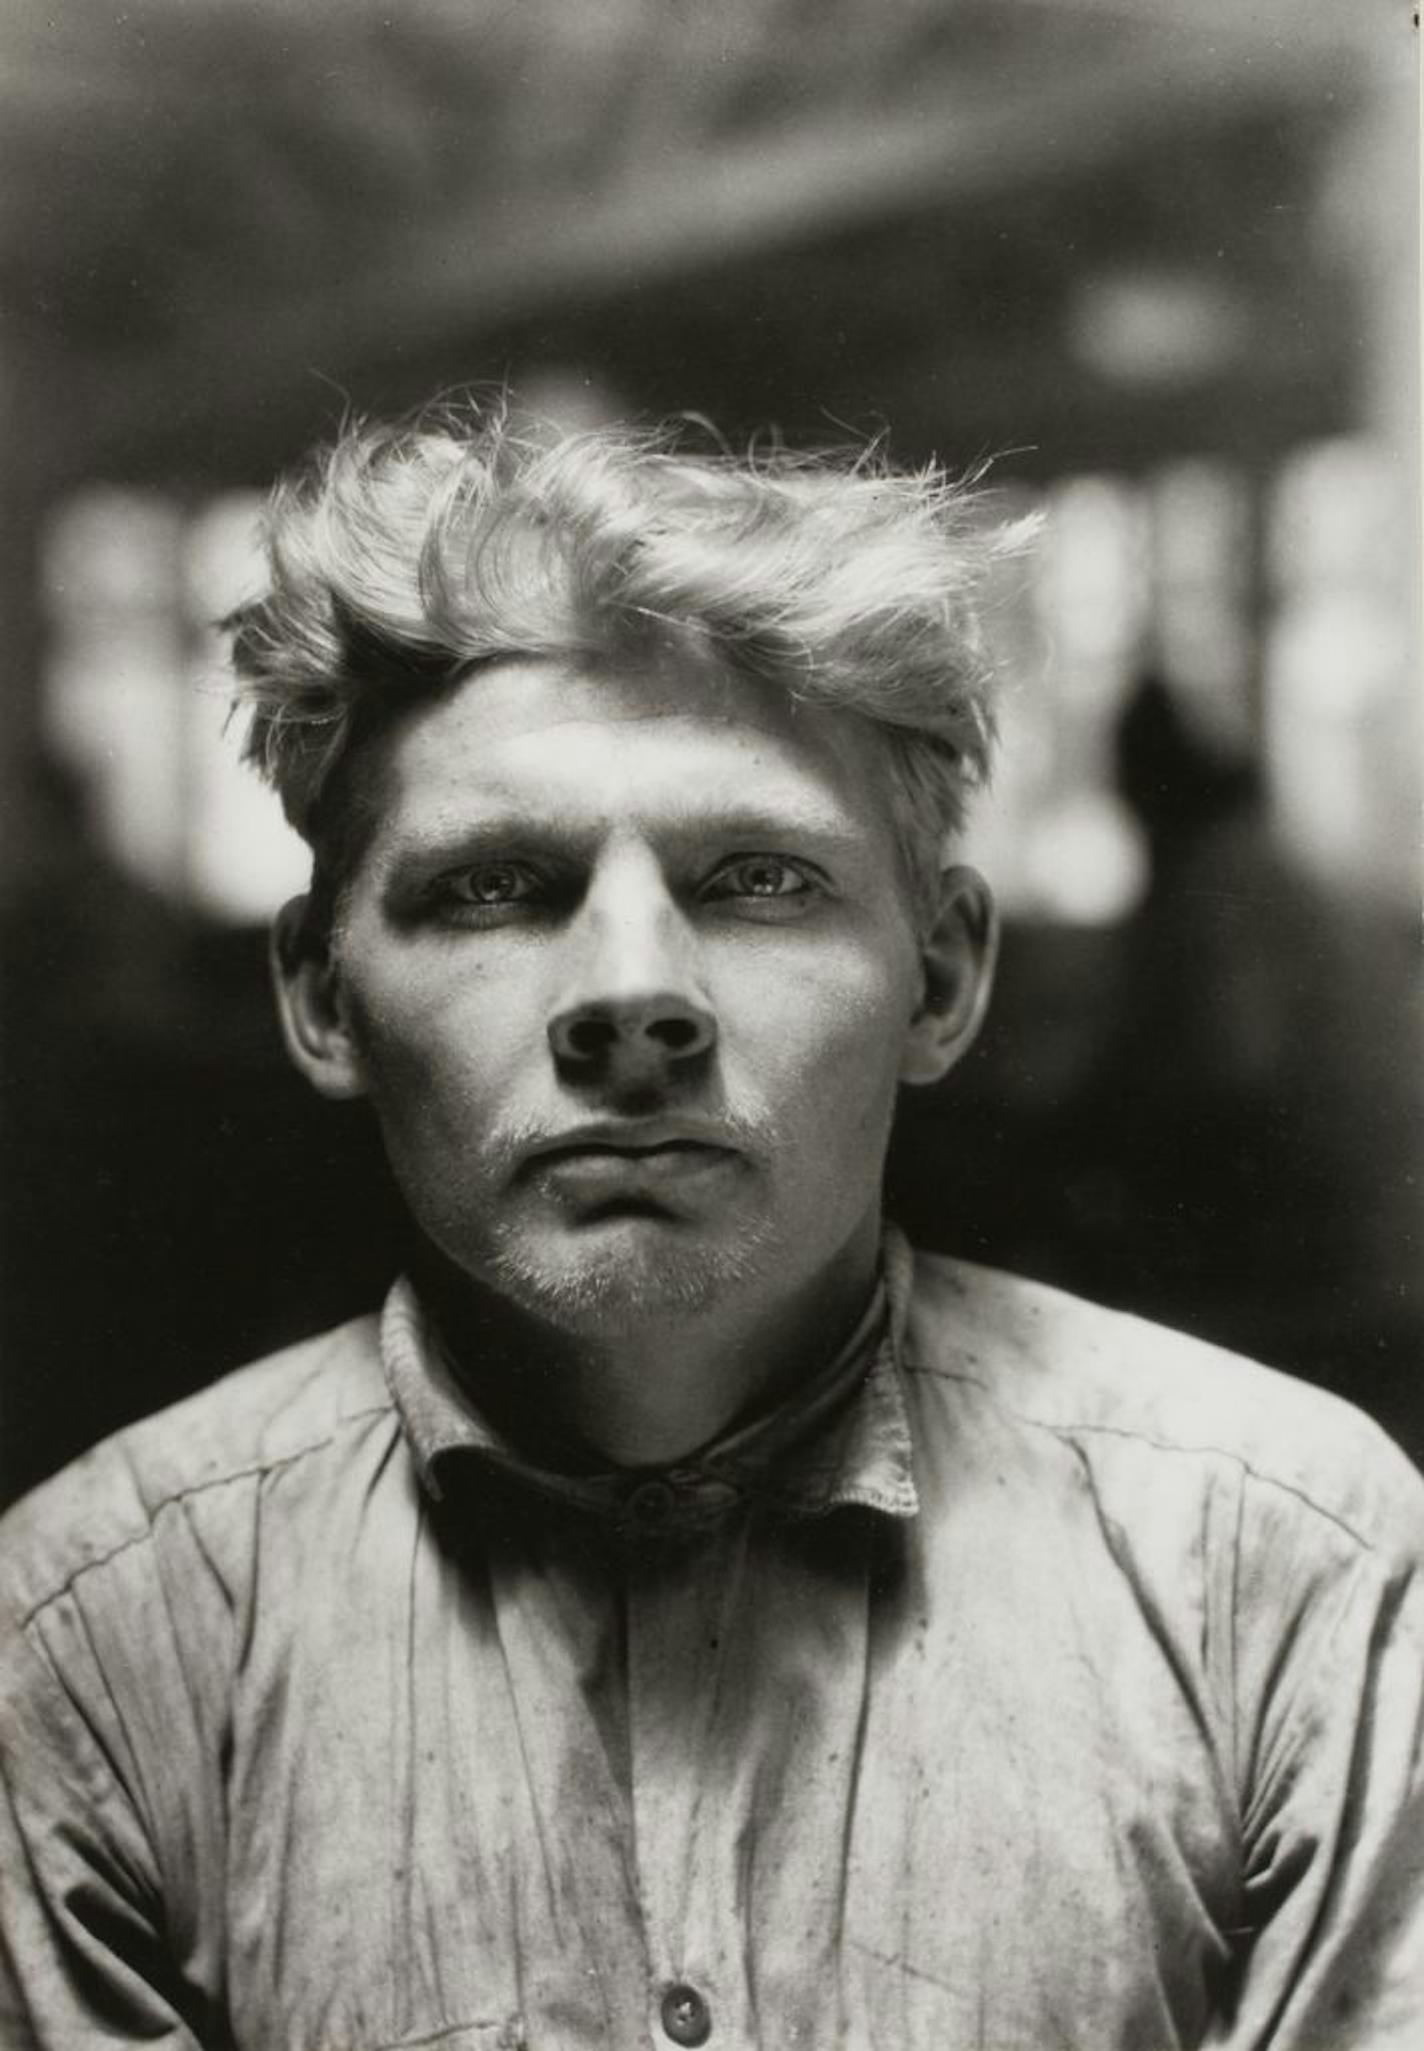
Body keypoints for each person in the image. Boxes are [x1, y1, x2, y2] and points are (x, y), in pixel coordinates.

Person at [0, 405, 1420, 2051]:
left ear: (945, 977)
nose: (631, 998)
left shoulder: (1283, 1566)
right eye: (494, 887)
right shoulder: (91, 1647)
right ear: (322, 995)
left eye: (755, 880)